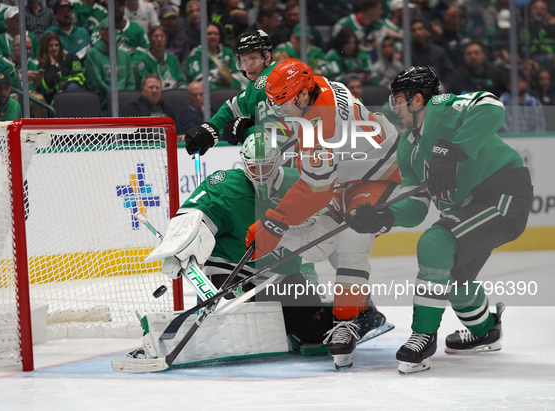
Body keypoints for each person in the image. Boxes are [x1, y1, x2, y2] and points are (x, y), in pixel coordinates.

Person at [344, 66, 533, 374]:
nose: (395, 109)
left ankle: (423, 335)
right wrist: (384, 216)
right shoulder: (407, 148)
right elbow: (416, 206)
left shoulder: (439, 108)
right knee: (455, 278)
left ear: (418, 99)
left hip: (503, 195)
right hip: (471, 207)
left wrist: (453, 148)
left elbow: (491, 106)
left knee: (435, 242)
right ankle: (486, 331)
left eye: (398, 101)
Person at [247, 58, 401, 369]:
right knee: (316, 243)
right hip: (348, 174)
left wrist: (274, 223)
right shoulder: (316, 86)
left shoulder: (321, 127)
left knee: (349, 241)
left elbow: (314, 191)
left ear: (303, 95)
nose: (280, 110)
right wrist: (277, 229)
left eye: (284, 102)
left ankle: (347, 319)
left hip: (379, 174)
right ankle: (366, 308)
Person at [135, 133, 334, 362]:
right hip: (229, 270)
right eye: (253, 167)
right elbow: (192, 216)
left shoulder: (298, 184)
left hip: (278, 274)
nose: (260, 174)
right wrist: (177, 248)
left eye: (266, 166)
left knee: (314, 328)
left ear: (278, 160)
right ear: (243, 162)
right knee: (234, 322)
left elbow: (326, 221)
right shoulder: (224, 185)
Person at [184, 30, 289, 161]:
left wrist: (244, 132)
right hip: (272, 159)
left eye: (253, 58)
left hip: (288, 159)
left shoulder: (271, 80)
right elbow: (235, 106)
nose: (248, 65)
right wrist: (211, 128)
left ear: (267, 57)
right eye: (243, 60)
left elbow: (279, 132)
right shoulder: (256, 81)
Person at [84, 20, 135, 107]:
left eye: (113, 30)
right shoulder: (92, 54)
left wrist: (126, 95)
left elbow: (130, 80)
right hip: (103, 101)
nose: (111, 33)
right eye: (107, 30)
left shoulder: (124, 55)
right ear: (100, 33)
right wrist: (113, 95)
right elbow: (96, 82)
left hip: (125, 100)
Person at [185, 22, 245, 90]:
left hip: (230, 91)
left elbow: (240, 75)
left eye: (216, 34)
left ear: (220, 36)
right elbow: (198, 79)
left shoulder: (228, 52)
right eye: (209, 34)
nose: (212, 36)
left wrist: (231, 81)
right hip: (209, 93)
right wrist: (217, 91)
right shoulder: (196, 54)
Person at [37, 31, 86, 105]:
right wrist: (52, 66)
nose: (54, 48)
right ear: (45, 48)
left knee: (72, 88)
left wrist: (64, 90)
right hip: (55, 100)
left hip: (75, 92)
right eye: (50, 46)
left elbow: (79, 77)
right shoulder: (42, 66)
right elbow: (47, 88)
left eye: (56, 45)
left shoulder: (71, 58)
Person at [131, 26, 185, 90]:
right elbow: (145, 85)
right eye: (156, 36)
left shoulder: (173, 58)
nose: (159, 39)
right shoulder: (143, 61)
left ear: (166, 40)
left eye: (162, 36)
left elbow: (182, 80)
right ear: (150, 40)